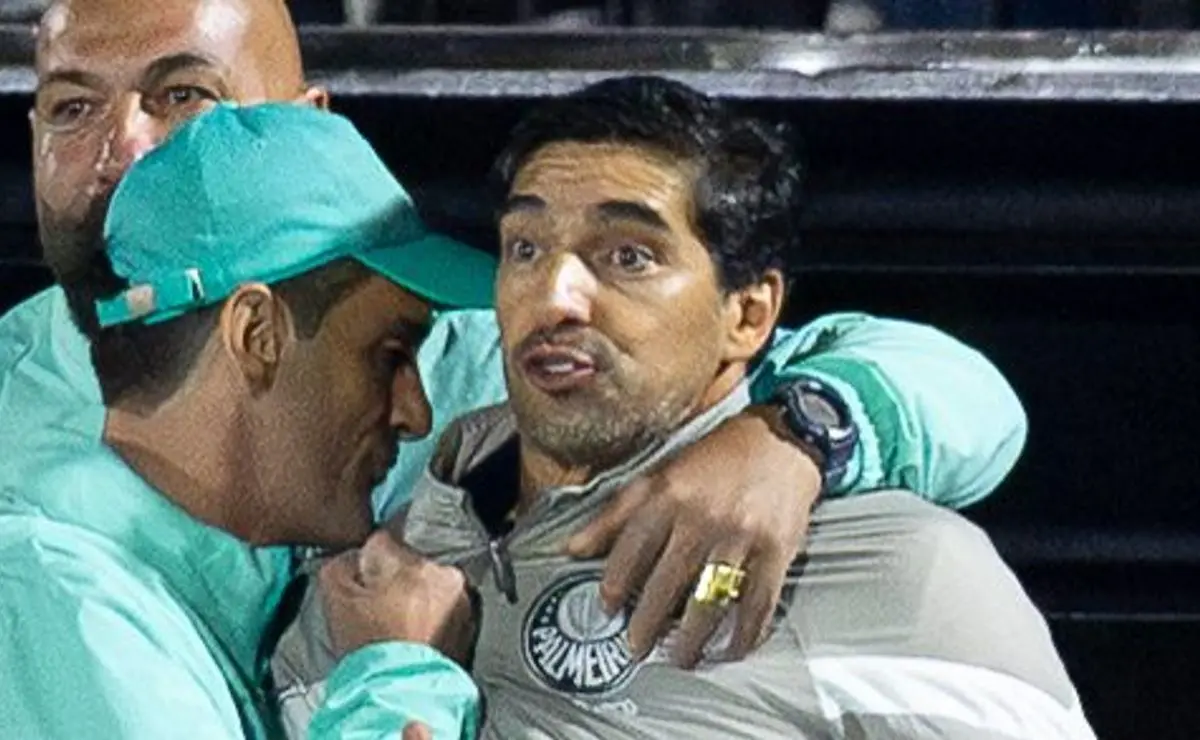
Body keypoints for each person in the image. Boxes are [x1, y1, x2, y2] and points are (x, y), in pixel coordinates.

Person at [2, 0, 1026, 668]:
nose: (126, 148)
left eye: (184, 97)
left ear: (309, 120)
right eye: (72, 108)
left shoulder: (476, 355)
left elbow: (967, 395)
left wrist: (794, 437)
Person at [272, 76, 1095, 740]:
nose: (554, 295)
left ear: (748, 314)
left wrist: (789, 437)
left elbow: (968, 395)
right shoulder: (364, 593)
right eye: (525, 247)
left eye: (628, 256)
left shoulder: (894, 575)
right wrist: (393, 677)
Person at [0, 102, 497, 736]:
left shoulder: (150, 595)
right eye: (389, 355)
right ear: (255, 335)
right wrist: (401, 674)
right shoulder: (59, 604)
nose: (415, 414)